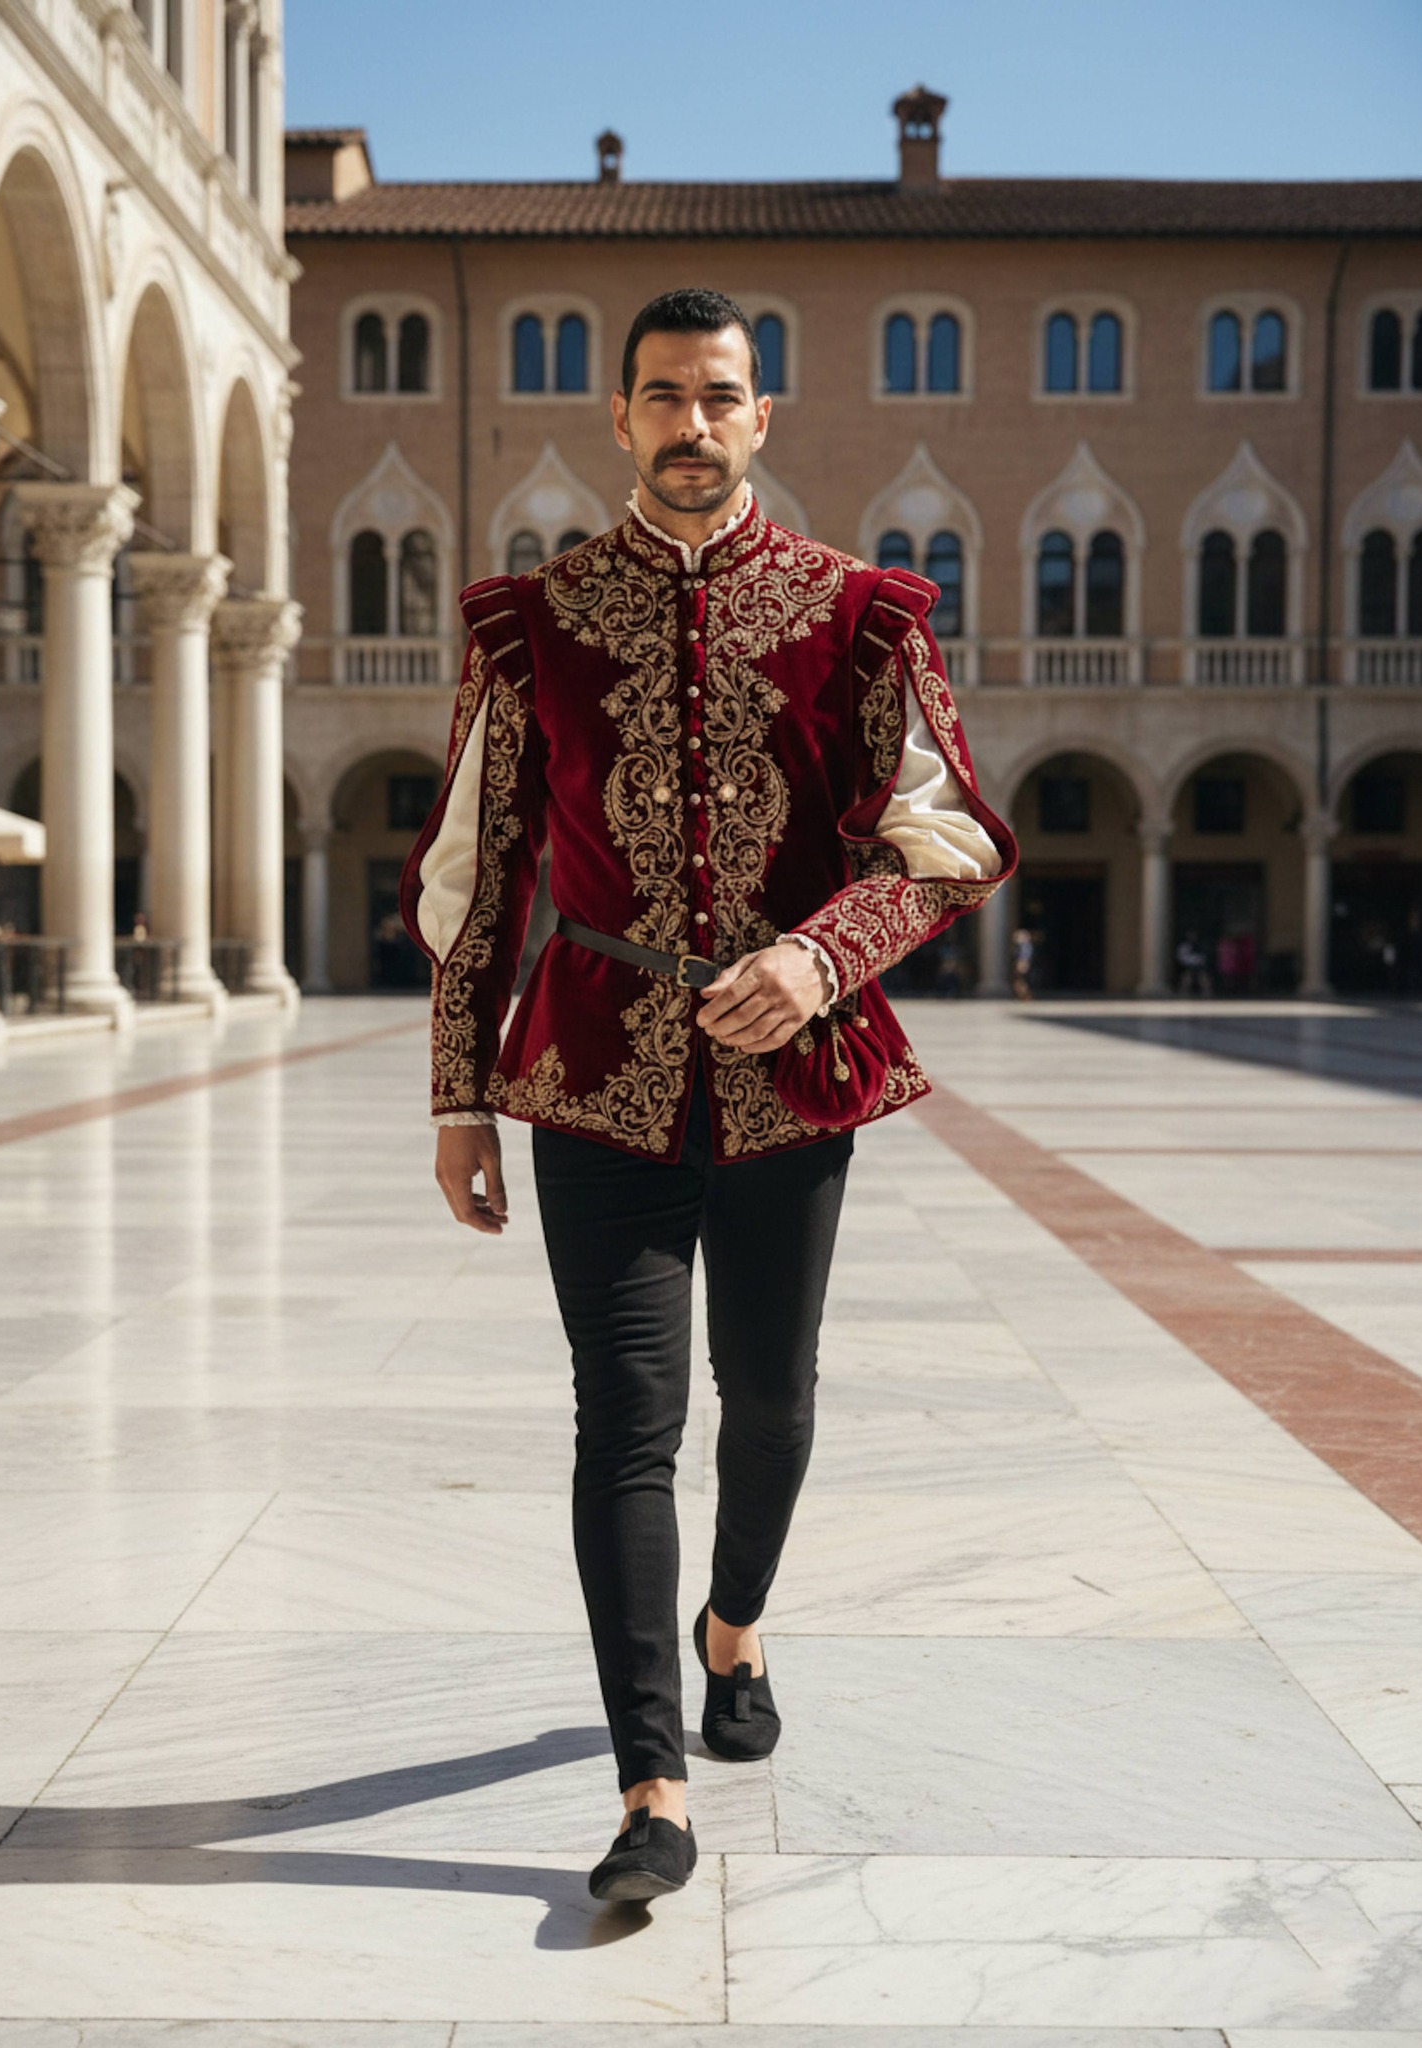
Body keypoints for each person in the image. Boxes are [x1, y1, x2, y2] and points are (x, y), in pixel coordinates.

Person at [400, 289, 1016, 1904]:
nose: (691, 423)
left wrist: (820, 958)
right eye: (662, 395)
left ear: (760, 415)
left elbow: (952, 839)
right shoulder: (530, 624)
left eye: (718, 395)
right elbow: (474, 878)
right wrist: (461, 1096)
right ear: (620, 417)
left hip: (792, 1075)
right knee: (626, 1420)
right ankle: (652, 1790)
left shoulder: (861, 613)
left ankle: (733, 1628)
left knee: (775, 1401)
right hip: (594, 1069)